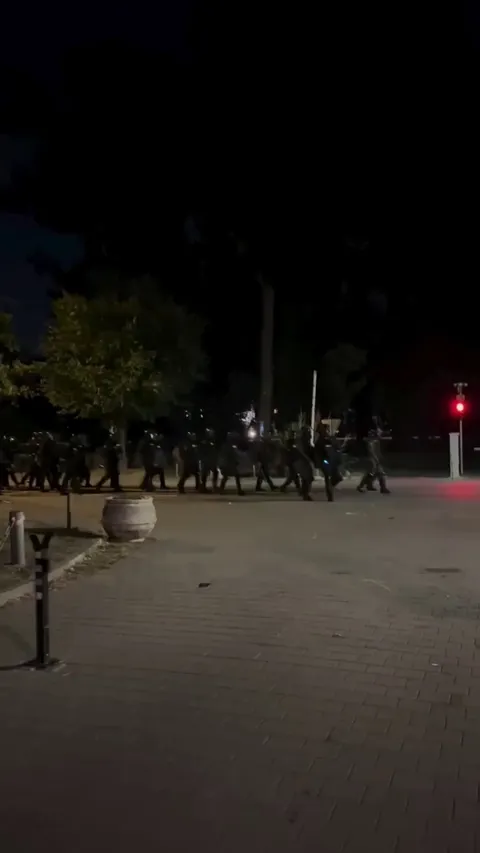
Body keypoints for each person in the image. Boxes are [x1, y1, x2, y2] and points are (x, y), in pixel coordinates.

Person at [357, 426, 390, 494]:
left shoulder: (375, 441)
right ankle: (362, 486)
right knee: (374, 474)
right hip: (373, 460)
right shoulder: (372, 442)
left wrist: (379, 457)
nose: (380, 435)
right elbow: (372, 452)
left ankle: (370, 486)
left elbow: (377, 452)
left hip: (374, 460)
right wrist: (376, 460)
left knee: (376, 474)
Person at [218, 432, 244, 496]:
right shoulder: (228, 446)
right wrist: (235, 461)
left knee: (226, 477)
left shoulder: (226, 445)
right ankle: (239, 490)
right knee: (235, 476)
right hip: (228, 464)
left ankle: (221, 490)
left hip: (227, 464)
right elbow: (230, 455)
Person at [198, 428, 219, 492]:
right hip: (206, 460)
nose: (212, 434)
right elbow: (202, 451)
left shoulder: (213, 441)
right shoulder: (204, 442)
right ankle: (203, 486)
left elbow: (214, 451)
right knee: (204, 474)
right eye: (211, 433)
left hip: (211, 460)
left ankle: (214, 485)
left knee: (215, 472)